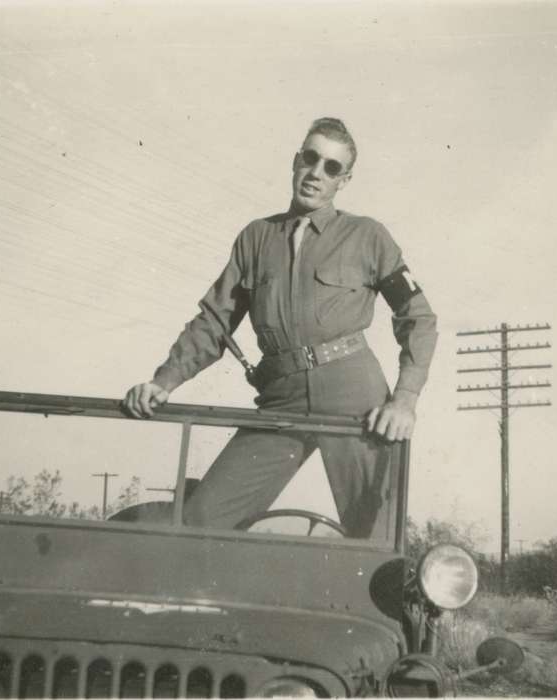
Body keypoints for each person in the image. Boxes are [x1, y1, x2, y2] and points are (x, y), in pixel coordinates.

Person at [123, 117, 437, 538]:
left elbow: (419, 316)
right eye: (310, 158)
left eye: (331, 167)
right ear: (295, 161)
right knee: (203, 521)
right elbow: (215, 320)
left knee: (375, 536)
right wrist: (164, 381)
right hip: (281, 399)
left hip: (354, 396)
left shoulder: (367, 236)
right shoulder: (256, 238)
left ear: (344, 180)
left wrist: (404, 400)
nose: (315, 173)